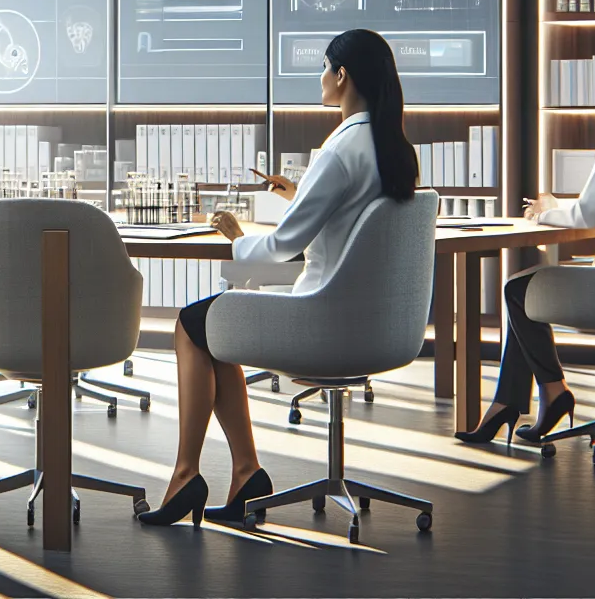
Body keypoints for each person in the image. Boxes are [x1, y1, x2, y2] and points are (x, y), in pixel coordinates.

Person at [140, 29, 418, 527]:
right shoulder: (391, 148)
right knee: (218, 329)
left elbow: (283, 246)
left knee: (190, 324)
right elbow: (350, 221)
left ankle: (186, 475)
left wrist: (236, 236)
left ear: (341, 75)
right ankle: (247, 474)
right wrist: (299, 194)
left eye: (323, 68)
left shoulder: (340, 150)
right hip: (375, 325)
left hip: (324, 320)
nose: (320, 77)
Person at [456, 41, 595, 447]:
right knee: (525, 289)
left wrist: (541, 215)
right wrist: (558, 205)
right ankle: (524, 401)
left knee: (516, 290)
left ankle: (548, 393)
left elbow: (588, 216)